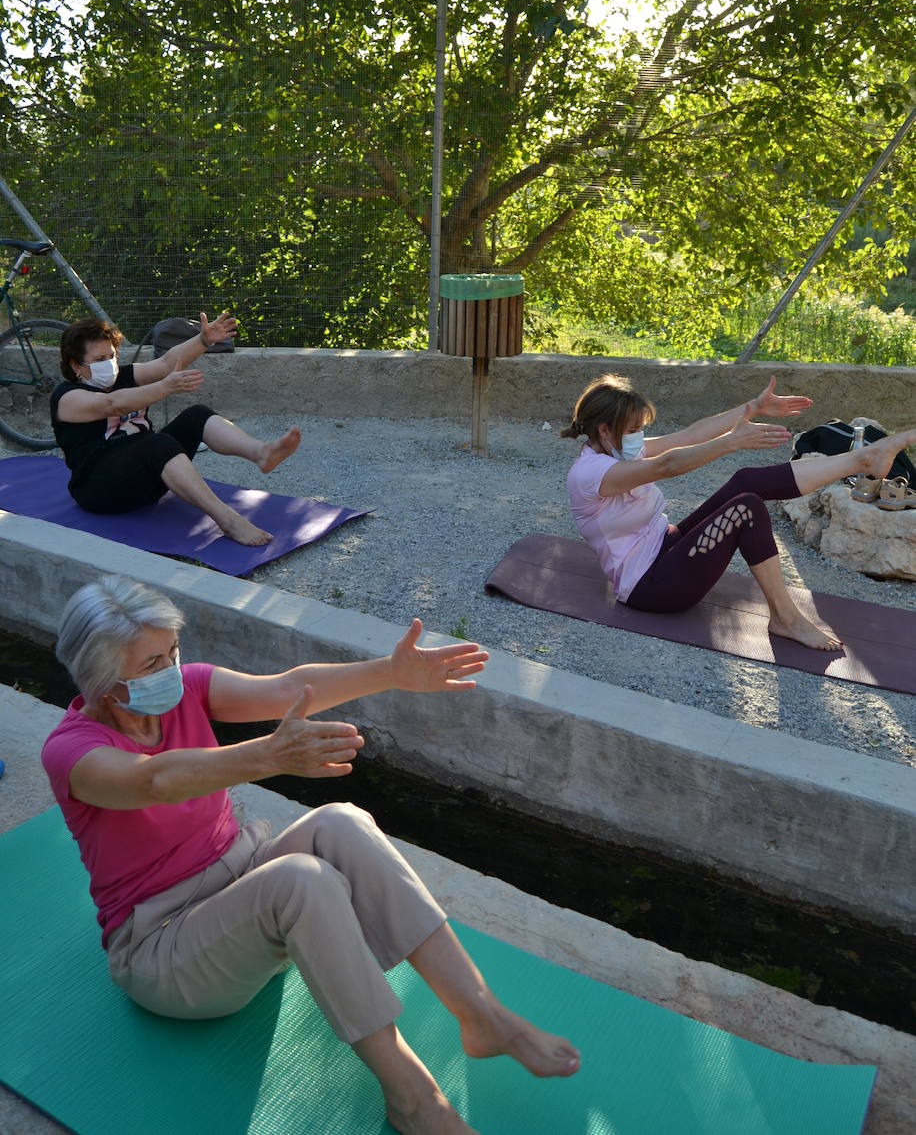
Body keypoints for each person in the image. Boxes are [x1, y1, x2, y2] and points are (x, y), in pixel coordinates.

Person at [42, 577, 580, 1135]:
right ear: (106, 682)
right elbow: (155, 781)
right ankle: (413, 1099)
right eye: (153, 662)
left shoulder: (188, 690)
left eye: (174, 652)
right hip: (164, 947)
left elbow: (289, 687)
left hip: (244, 890)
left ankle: (483, 1016)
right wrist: (269, 755)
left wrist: (391, 673)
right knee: (299, 878)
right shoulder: (72, 752)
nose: (172, 670)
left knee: (341, 822)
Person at [563, 373, 916, 650]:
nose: (641, 437)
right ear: (604, 430)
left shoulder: (617, 450)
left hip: (667, 549)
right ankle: (785, 618)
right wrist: (731, 441)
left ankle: (861, 458)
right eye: (635, 430)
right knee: (745, 509)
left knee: (746, 480)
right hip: (651, 587)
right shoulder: (591, 474)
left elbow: (690, 434)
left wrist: (753, 407)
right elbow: (666, 465)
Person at [51, 313, 301, 545]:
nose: (109, 364)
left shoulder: (124, 376)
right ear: (76, 365)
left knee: (196, 415)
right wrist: (164, 388)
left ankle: (261, 452)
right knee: (157, 443)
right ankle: (229, 520)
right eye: (99, 360)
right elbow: (111, 404)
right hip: (100, 491)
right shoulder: (68, 398)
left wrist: (203, 339)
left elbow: (167, 363)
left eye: (112, 356)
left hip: (145, 477)